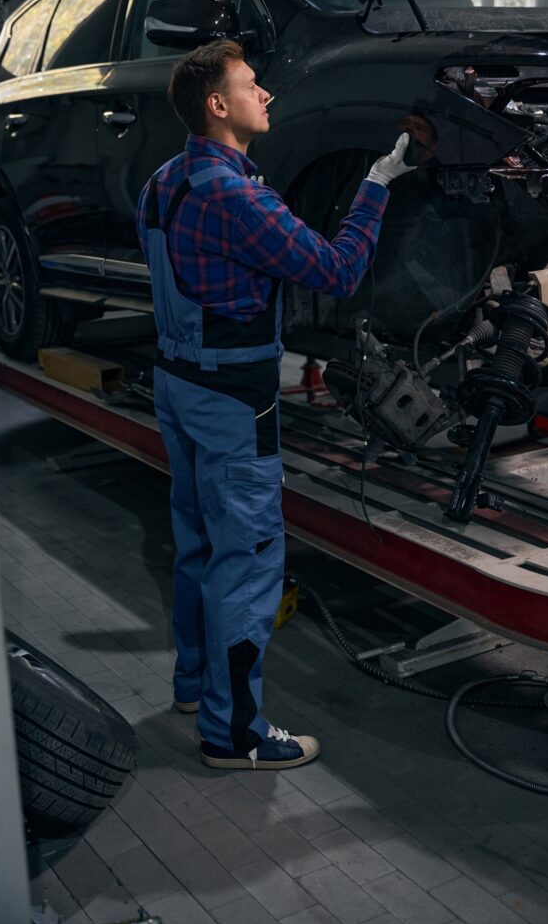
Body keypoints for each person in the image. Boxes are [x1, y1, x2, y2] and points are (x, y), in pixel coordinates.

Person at [136, 39, 415, 771]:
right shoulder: (236, 196)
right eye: (252, 85)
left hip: (178, 384)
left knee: (197, 543)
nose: (267, 95)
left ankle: (195, 688)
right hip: (233, 400)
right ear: (216, 106)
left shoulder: (163, 183)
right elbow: (338, 268)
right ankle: (234, 736)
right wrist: (379, 182)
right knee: (249, 560)